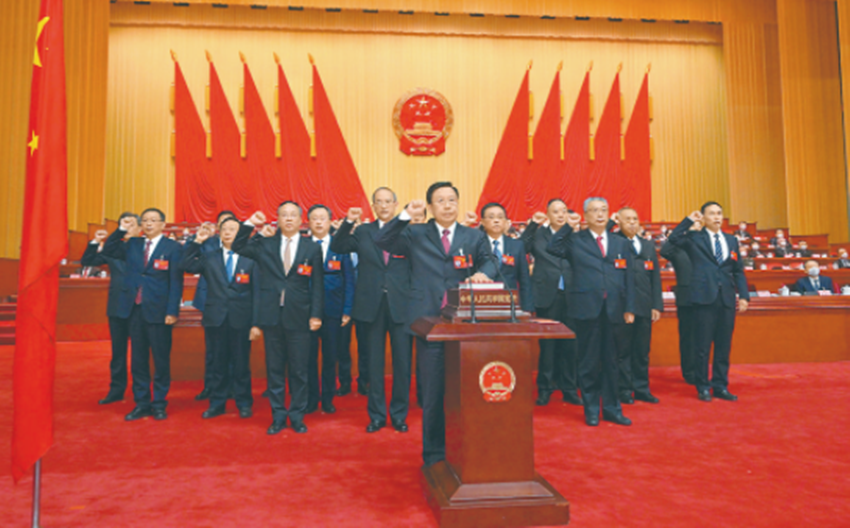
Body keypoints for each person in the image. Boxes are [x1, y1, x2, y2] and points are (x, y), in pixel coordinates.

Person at [375, 182, 496, 467]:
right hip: (428, 320)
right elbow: (383, 240)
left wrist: (483, 273)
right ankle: (434, 455)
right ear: (430, 206)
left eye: (451, 199)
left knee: (467, 390)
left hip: (465, 322)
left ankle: (467, 449)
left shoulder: (473, 235)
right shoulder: (415, 233)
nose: (447, 205)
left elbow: (491, 261)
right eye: (440, 200)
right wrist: (406, 214)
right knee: (433, 392)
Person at [232, 203, 324, 435]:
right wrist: (250, 223)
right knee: (274, 370)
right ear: (278, 219)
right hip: (272, 315)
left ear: (301, 220)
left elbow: (317, 285)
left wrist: (316, 314)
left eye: (293, 215)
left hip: (300, 316)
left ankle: (297, 416)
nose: (289, 219)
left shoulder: (312, 247)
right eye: (284, 215)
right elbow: (238, 245)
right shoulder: (265, 244)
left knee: (299, 371)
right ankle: (278, 416)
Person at [546, 197, 636, 427]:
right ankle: (592, 409)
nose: (600, 214)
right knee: (588, 362)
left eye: (604, 210)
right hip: (586, 308)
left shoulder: (620, 242)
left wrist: (630, 307)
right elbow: (552, 247)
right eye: (594, 210)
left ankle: (613, 409)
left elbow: (630, 277)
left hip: (615, 309)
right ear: (585, 215)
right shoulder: (576, 240)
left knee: (612, 361)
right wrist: (568, 225)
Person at [332, 187, 415, 433]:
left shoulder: (408, 231)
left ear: (396, 204)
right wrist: (349, 222)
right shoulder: (364, 231)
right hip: (371, 305)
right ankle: (377, 416)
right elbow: (338, 245)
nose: (384, 205)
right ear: (373, 205)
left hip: (402, 306)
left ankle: (399, 415)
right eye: (379, 202)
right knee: (374, 365)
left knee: (402, 364)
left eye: (388, 201)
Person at [102, 208, 184, 421]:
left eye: (153, 220)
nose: (148, 224)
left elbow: (176, 281)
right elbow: (109, 249)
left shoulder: (173, 247)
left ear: (163, 224)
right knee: (138, 360)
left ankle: (159, 403)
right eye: (145, 220)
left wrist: (172, 311)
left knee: (160, 360)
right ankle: (142, 403)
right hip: (134, 310)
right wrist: (121, 229)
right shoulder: (133, 244)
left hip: (159, 311)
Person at [667, 202, 749, 402]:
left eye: (719, 213)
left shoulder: (731, 240)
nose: (716, 217)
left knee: (723, 346)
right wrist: (689, 220)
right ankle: (702, 385)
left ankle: (720, 385)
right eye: (711, 213)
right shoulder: (695, 238)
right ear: (703, 218)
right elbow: (673, 239)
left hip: (726, 298)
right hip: (703, 297)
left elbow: (738, 270)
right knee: (702, 346)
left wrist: (744, 295)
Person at [182, 218, 257, 419]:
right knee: (217, 364)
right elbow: (187, 264)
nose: (228, 233)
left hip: (242, 318)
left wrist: (256, 322)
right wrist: (197, 241)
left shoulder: (250, 258)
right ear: (219, 233)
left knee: (241, 364)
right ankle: (217, 403)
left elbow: (258, 291)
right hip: (216, 318)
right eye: (224, 229)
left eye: (233, 229)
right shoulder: (210, 257)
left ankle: (244, 402)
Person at [520, 199, 581, 406]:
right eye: (555, 211)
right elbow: (521, 247)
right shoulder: (539, 234)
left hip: (572, 295)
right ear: (548, 214)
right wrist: (532, 225)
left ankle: (569, 389)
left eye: (564, 211)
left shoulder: (575, 235)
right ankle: (545, 389)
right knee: (547, 346)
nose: (560, 215)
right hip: (547, 295)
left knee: (571, 345)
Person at [81, 213, 140, 404]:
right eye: (125, 224)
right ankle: (116, 389)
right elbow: (88, 260)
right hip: (117, 305)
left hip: (140, 306)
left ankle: (141, 391)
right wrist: (96, 241)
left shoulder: (145, 247)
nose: (128, 227)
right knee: (118, 352)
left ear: (140, 228)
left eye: (132, 224)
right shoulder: (113, 249)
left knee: (140, 352)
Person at [610, 208, 662, 405]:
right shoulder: (613, 243)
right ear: (619, 222)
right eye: (627, 219)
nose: (632, 222)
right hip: (623, 307)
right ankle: (623, 389)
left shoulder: (647, 245)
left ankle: (641, 388)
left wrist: (656, 305)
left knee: (642, 350)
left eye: (635, 219)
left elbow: (655, 277)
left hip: (645, 305)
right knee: (623, 351)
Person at [305, 204, 355, 415]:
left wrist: (347, 309)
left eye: (322, 218)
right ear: (308, 222)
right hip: (307, 311)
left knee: (330, 357)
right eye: (314, 218)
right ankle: (310, 398)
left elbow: (350, 280)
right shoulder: (303, 245)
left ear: (330, 222)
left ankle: (327, 398)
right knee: (308, 358)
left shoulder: (340, 246)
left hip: (334, 310)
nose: (318, 222)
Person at [191, 211, 237, 402]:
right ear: (218, 227)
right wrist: (196, 240)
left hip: (235, 305)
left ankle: (232, 387)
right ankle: (210, 387)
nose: (226, 230)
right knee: (213, 350)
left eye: (230, 226)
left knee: (234, 351)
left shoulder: (242, 247)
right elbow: (188, 260)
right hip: (210, 301)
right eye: (222, 225)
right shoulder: (208, 243)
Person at [659, 220, 700, 386]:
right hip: (686, 298)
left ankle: (702, 370)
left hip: (705, 296)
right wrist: (686, 223)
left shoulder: (703, 249)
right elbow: (665, 249)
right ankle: (689, 371)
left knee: (703, 337)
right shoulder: (677, 250)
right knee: (688, 337)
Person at [479, 202, 535, 313]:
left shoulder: (516, 246)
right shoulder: (476, 244)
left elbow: (524, 279)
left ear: (506, 222)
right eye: (491, 217)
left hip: (509, 303)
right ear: (482, 222)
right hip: (481, 302)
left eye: (500, 217)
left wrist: (527, 308)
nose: (496, 220)